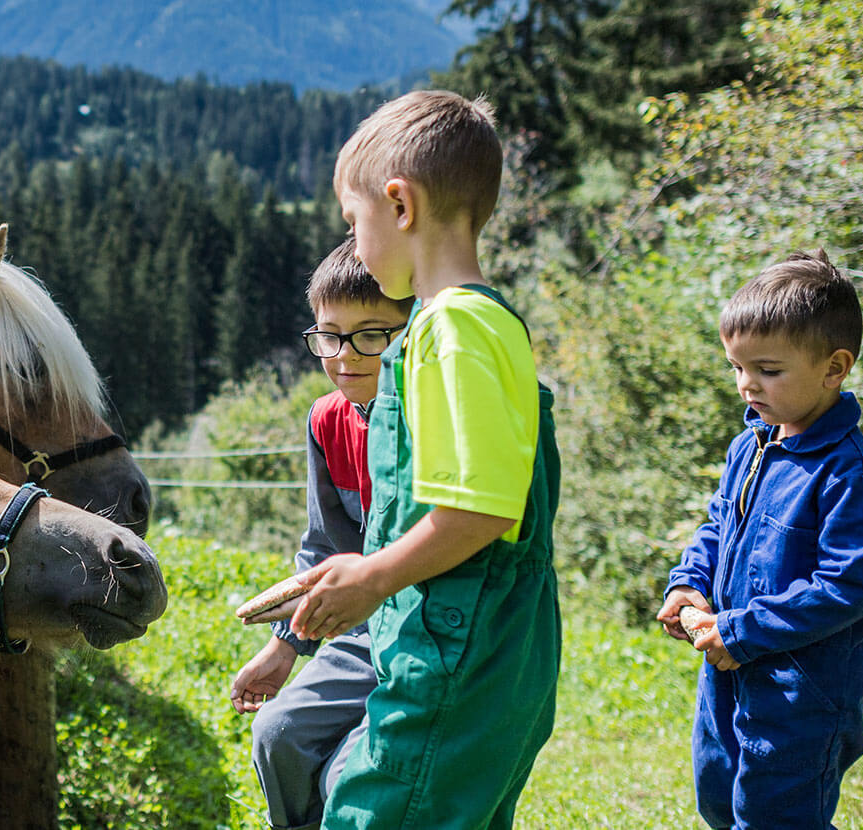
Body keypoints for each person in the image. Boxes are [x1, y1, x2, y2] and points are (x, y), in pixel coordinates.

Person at [287, 89, 562, 830]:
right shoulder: (488, 320)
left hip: (452, 655)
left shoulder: (451, 331)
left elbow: (480, 508)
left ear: (400, 204)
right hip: (499, 649)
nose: (356, 241)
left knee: (375, 813)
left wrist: (372, 576)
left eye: (355, 220)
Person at [656, 250, 863, 829]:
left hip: (805, 690)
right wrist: (690, 584)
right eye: (736, 368)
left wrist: (741, 629)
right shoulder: (751, 447)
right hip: (731, 672)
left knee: (779, 815)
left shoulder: (852, 477)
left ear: (834, 367)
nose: (747, 385)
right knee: (720, 796)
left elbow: (845, 588)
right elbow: (719, 525)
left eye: (768, 370)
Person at [230, 237, 410, 830]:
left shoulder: (428, 416)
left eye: (372, 334)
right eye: (329, 335)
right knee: (276, 735)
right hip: (362, 631)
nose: (345, 355)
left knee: (347, 776)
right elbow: (325, 546)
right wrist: (285, 645)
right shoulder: (326, 420)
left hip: (423, 628)